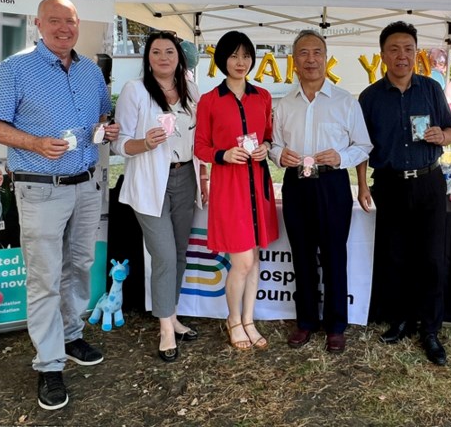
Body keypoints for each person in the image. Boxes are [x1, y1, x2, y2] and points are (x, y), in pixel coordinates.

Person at [0, 0, 119, 411]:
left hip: (86, 184)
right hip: (41, 188)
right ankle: (49, 364)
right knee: (44, 277)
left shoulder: (91, 72)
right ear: (38, 23)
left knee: (80, 266)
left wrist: (105, 131)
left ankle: (72, 334)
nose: (63, 28)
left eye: (70, 21)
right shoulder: (16, 69)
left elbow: (102, 118)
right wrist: (34, 143)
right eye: (54, 21)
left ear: (78, 25)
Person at [356, 21, 451, 366]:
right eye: (395, 49)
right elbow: (361, 147)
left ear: (416, 53)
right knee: (394, 256)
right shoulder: (369, 98)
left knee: (431, 258)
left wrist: (442, 137)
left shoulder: (430, 89)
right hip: (389, 183)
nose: (402, 55)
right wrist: (361, 184)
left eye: (409, 49)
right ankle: (399, 320)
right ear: (383, 54)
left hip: (428, 182)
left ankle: (430, 329)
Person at [269, 30, 372, 353]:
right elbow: (274, 144)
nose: (310, 59)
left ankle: (336, 325)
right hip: (297, 184)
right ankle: (306, 322)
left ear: (326, 59)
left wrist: (342, 157)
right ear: (294, 61)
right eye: (303, 53)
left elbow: (364, 145)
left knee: (333, 255)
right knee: (301, 255)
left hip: (333, 184)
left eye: (317, 53)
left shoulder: (345, 101)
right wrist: (278, 155)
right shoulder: (284, 104)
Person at [112, 31, 209, 363]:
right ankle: (166, 330)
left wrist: (205, 176)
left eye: (170, 51)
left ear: (179, 57)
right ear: (148, 57)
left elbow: (199, 139)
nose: (164, 57)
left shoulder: (191, 91)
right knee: (165, 255)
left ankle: (172, 315)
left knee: (180, 253)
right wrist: (146, 144)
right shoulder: (134, 91)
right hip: (150, 181)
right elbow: (118, 143)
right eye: (157, 52)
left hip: (186, 177)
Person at [195, 30, 278, 351]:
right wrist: (223, 154)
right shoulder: (209, 101)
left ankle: (248, 319)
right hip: (229, 188)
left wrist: (266, 147)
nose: (240, 62)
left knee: (254, 259)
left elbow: (269, 136)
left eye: (246, 56)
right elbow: (200, 146)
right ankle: (233, 320)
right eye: (233, 56)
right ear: (222, 60)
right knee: (242, 261)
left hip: (258, 183)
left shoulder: (263, 96)